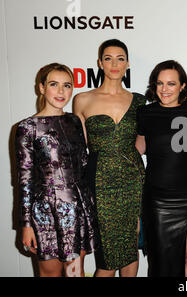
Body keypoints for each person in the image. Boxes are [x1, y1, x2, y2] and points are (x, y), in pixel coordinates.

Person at [73, 39, 146, 277]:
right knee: (107, 259)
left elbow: (142, 143)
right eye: (108, 58)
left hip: (132, 180)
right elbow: (79, 149)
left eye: (120, 58)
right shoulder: (83, 99)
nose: (114, 63)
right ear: (100, 63)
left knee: (130, 247)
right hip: (100, 181)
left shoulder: (139, 101)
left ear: (127, 64)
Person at [16, 63, 97, 277]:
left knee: (74, 274)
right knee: (50, 274)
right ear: (41, 87)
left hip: (76, 209)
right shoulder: (27, 127)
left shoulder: (74, 121)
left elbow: (84, 164)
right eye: (54, 84)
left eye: (67, 85)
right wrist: (26, 225)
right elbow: (25, 179)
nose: (61, 92)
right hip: (45, 213)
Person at [135, 60, 187, 277]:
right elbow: (138, 149)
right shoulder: (145, 113)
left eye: (171, 84)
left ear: (182, 86)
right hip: (156, 198)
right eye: (160, 83)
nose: (164, 89)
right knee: (159, 260)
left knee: (186, 254)